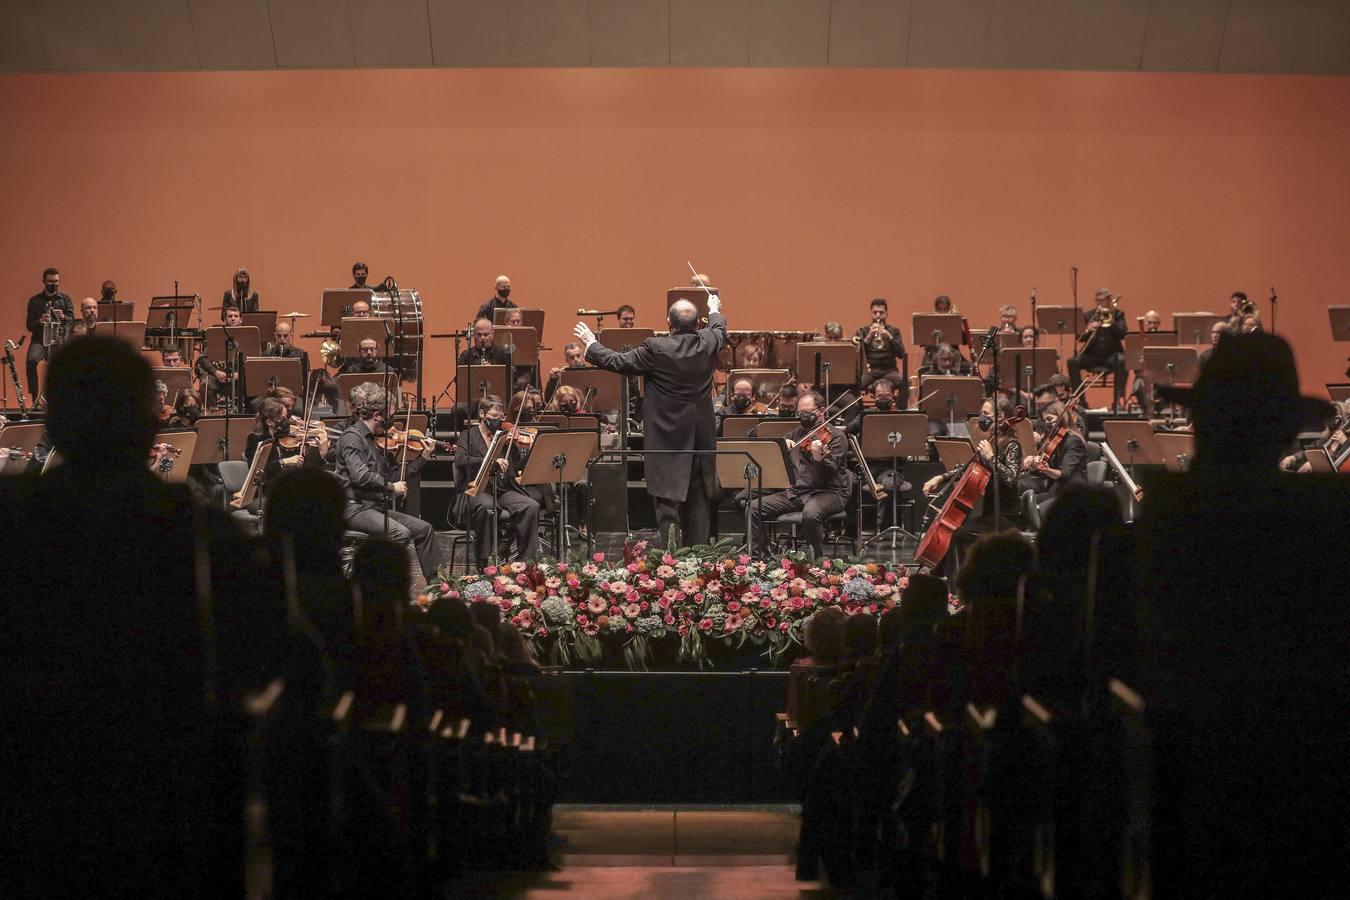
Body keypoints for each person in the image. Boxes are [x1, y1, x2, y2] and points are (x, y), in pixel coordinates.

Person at [1140, 332, 1350, 894]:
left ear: (1203, 425)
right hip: (1317, 801)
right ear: (1285, 432)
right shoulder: (1332, 526)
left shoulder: (1165, 523)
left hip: (1184, 798)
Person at [575, 293, 727, 547]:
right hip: (701, 437)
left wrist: (591, 344)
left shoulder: (656, 348)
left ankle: (672, 560)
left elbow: (618, 362)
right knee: (699, 501)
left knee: (667, 503)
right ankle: (699, 562)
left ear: (669, 323)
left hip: (667, 438)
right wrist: (713, 308)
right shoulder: (709, 341)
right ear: (698, 324)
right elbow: (719, 327)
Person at [335, 382, 439, 580]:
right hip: (354, 508)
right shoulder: (352, 438)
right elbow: (362, 477)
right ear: (377, 415)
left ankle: (437, 587)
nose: (393, 419)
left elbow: (392, 476)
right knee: (400, 534)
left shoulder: (372, 439)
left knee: (424, 529)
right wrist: (392, 487)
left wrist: (423, 456)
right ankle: (372, 582)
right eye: (391, 414)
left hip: (373, 507)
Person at [749, 390, 852, 559]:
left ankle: (816, 562)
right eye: (800, 413)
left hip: (829, 492)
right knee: (753, 507)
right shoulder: (796, 434)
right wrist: (782, 445)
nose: (803, 416)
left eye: (807, 412)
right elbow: (774, 454)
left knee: (811, 514)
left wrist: (819, 458)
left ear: (822, 411)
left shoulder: (836, 437)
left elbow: (832, 469)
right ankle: (761, 557)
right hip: (798, 492)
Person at [454, 395, 545, 566]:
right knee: (488, 508)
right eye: (494, 416)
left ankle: (526, 563)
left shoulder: (505, 436)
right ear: (482, 414)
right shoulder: (468, 435)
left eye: (501, 417)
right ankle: (486, 561)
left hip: (503, 488)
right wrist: (488, 461)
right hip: (479, 488)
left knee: (530, 506)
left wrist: (520, 449)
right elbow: (460, 460)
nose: (498, 420)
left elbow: (515, 467)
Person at [1020, 399, 1087, 516]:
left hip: (1070, 492)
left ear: (1062, 417)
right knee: (1021, 501)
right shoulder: (1054, 440)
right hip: (1055, 488)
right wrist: (1034, 464)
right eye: (1045, 420)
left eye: (1050, 419)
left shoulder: (1074, 441)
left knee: (1026, 505)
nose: (1047, 423)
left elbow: (1064, 474)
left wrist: (1046, 469)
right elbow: (1043, 469)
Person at [1068, 288, 1128, 408]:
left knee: (1123, 361)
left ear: (1110, 300)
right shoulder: (1089, 315)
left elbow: (1123, 334)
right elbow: (1079, 338)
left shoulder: (1118, 314)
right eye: (1099, 300)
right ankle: (1081, 401)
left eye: (1105, 300)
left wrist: (1111, 322)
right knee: (1072, 361)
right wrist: (1087, 329)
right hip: (1092, 356)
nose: (1101, 303)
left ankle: (1118, 402)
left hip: (1112, 355)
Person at [24, 266, 74, 402]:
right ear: (44, 281)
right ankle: (34, 397)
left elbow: (72, 321)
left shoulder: (65, 300)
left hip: (58, 340)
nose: (54, 284)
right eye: (50, 281)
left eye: (56, 281)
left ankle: (60, 398)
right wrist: (40, 321)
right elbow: (29, 326)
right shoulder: (34, 301)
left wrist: (63, 317)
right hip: (40, 340)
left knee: (64, 365)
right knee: (31, 360)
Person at [196, 306, 247, 410]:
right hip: (218, 376)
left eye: (236, 316)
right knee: (206, 384)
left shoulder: (248, 335)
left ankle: (242, 413)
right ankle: (212, 412)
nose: (233, 318)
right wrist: (216, 372)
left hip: (238, 377)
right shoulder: (216, 334)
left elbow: (253, 362)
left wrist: (239, 374)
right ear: (225, 319)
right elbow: (203, 358)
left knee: (250, 384)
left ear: (241, 319)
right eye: (230, 316)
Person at [855, 298, 908, 399]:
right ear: (871, 314)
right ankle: (859, 411)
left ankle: (900, 408)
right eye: (875, 312)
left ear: (886, 314)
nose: (878, 315)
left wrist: (889, 337)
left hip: (889, 370)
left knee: (905, 382)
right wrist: (868, 337)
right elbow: (857, 355)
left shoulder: (894, 330)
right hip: (870, 371)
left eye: (881, 312)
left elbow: (901, 354)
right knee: (855, 384)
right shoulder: (863, 331)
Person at [263, 320, 310, 389]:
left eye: (285, 336)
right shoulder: (267, 354)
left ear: (291, 335)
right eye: (279, 336)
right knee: (256, 400)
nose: (282, 339)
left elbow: (304, 379)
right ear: (275, 335)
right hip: (272, 393)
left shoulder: (300, 354)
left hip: (292, 393)